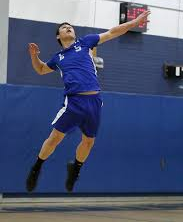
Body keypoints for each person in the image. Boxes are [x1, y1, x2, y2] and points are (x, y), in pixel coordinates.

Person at [26, 10, 151, 192]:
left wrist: (135, 22)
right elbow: (41, 70)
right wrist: (33, 56)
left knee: (88, 142)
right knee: (54, 139)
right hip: (74, 102)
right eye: (63, 27)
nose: (68, 28)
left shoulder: (85, 43)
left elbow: (113, 32)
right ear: (58, 36)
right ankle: (36, 167)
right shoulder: (58, 58)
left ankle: (75, 169)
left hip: (94, 101)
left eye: (70, 26)